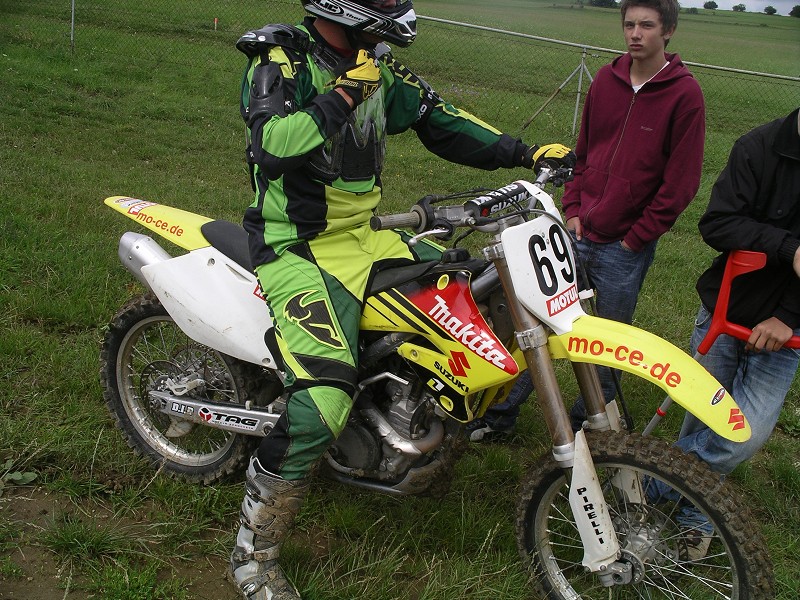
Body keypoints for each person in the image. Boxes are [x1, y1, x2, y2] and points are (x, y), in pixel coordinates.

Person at [229, 1, 575, 598]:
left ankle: (407, 419)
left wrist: (524, 152)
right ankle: (252, 556)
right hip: (299, 246)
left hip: (369, 235)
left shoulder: (376, 64)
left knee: (469, 294)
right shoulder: (280, 61)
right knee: (321, 404)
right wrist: (343, 94)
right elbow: (272, 146)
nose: (397, 5)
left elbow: (439, 119)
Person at [467, 0, 705, 442]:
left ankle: (589, 431)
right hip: (575, 231)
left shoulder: (684, 95)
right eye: (629, 24)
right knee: (534, 323)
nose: (635, 34)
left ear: (668, 30)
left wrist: (636, 238)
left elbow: (681, 183)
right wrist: (573, 209)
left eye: (647, 25)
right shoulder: (606, 81)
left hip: (624, 246)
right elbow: (583, 152)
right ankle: (499, 417)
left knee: (607, 343)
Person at [660, 107, 800, 560]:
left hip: (787, 333)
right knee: (703, 416)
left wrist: (788, 316)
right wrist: (789, 247)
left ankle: (647, 477)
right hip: (726, 309)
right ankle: (694, 515)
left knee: (743, 435)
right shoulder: (757, 146)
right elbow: (717, 223)